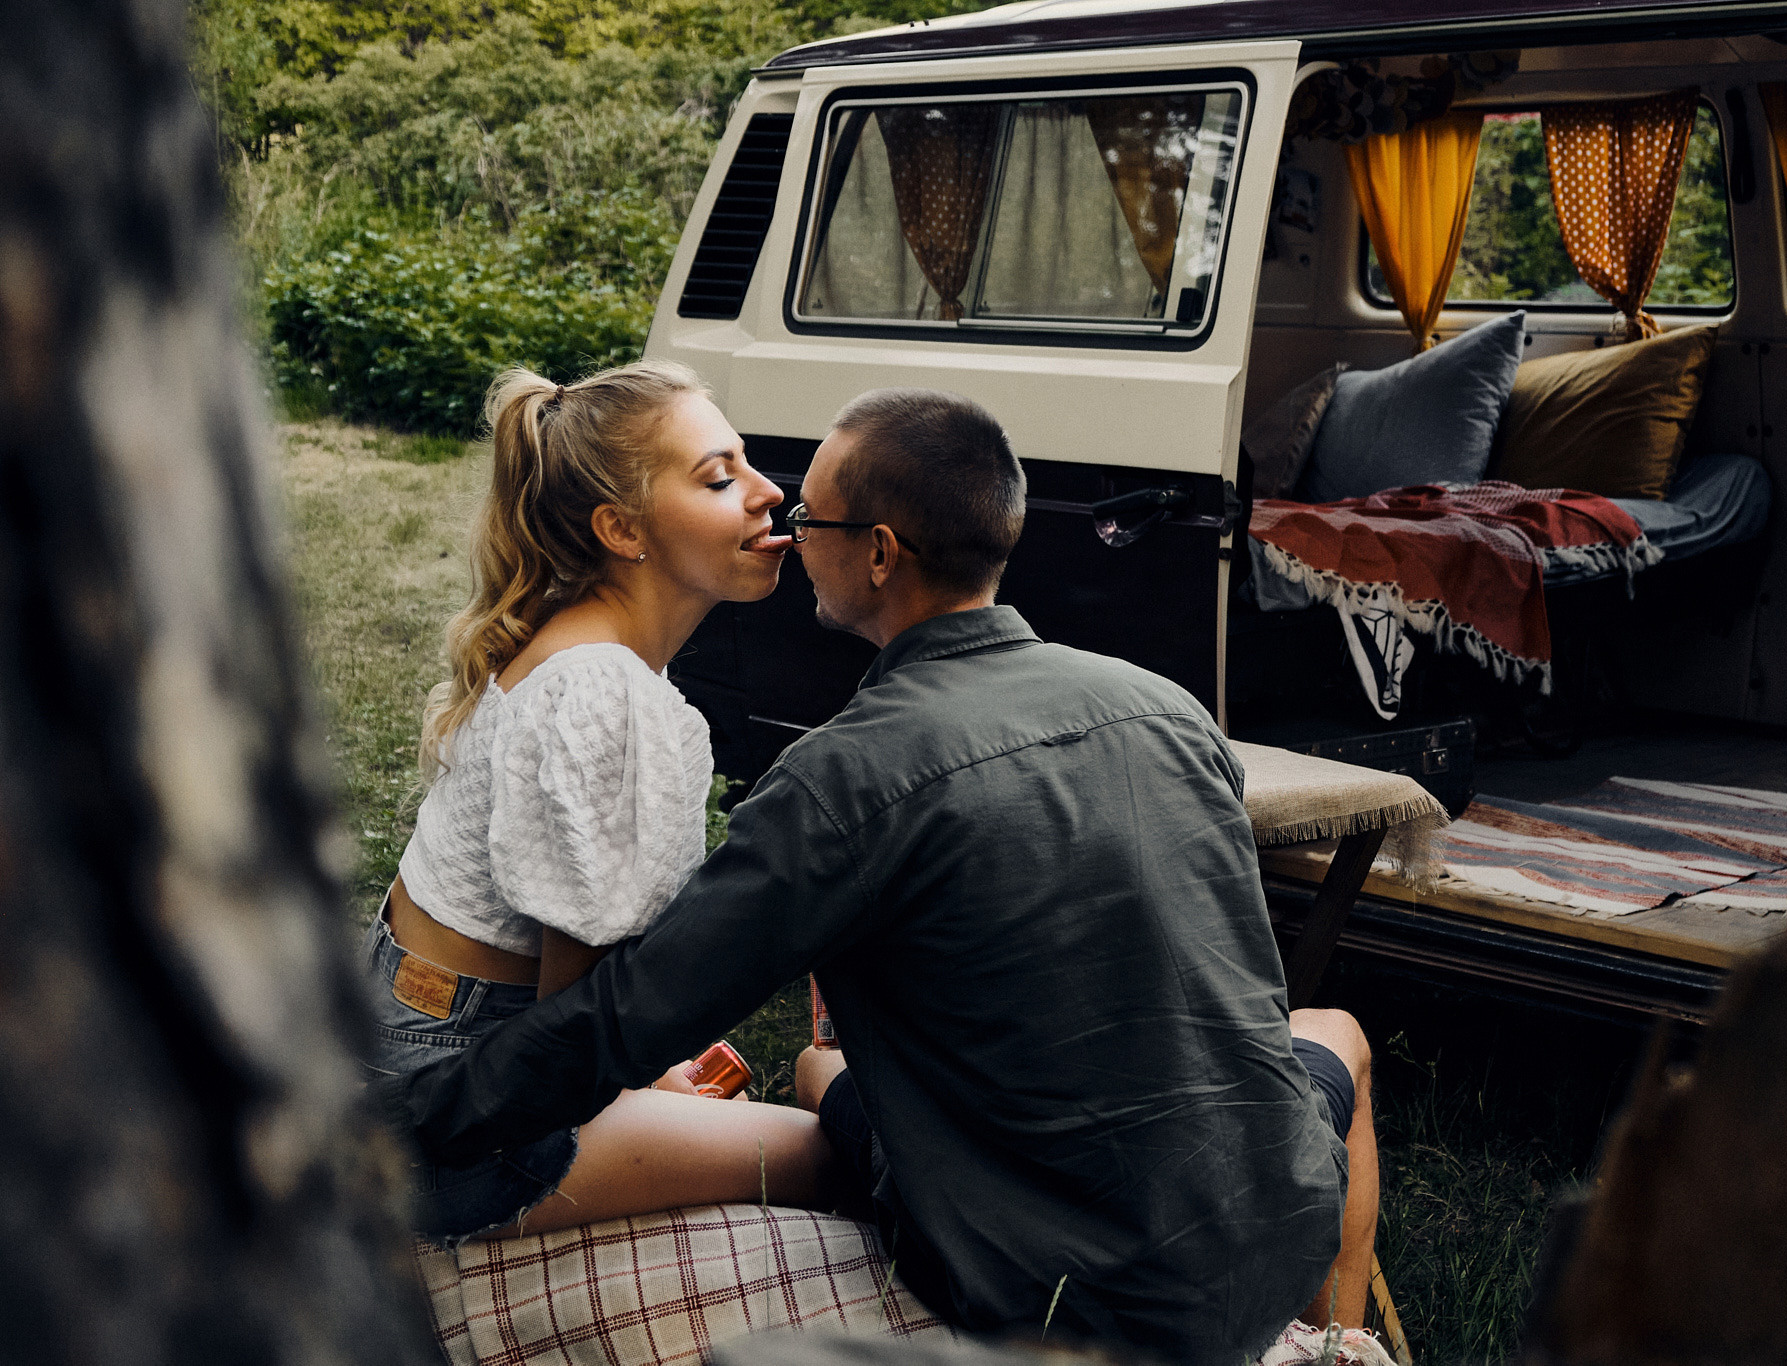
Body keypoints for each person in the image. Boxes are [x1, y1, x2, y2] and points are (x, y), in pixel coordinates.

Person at [376, 387, 1379, 1363]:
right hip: (1263, 1226)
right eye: (729, 478)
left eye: (810, 514)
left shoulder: (847, 778)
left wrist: (398, 1125)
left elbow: (624, 1015)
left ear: (880, 554)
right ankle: (1334, 1344)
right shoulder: (1166, 709)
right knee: (1333, 1033)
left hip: (1043, 1272)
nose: (782, 514)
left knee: (826, 1084)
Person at [362, 361, 831, 1249]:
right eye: (719, 478)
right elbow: (572, 1036)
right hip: (465, 1100)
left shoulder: (583, 642)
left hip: (416, 1035)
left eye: (746, 463)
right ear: (621, 528)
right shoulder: (606, 692)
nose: (772, 493)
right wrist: (646, 1087)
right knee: (837, 1153)